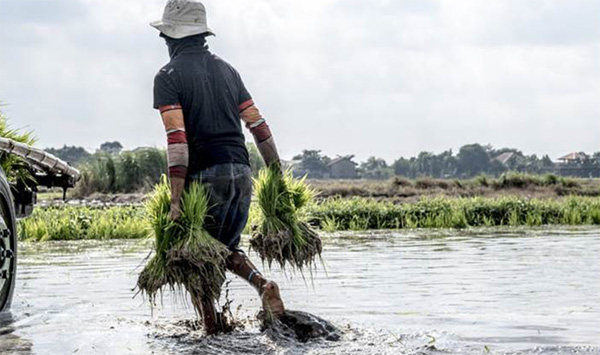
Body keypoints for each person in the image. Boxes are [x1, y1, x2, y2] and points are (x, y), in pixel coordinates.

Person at [150, 0, 285, 334]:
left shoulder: (167, 76)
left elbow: (178, 140)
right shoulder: (228, 71)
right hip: (241, 173)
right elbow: (259, 127)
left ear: (171, 38)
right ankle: (262, 284)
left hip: (204, 177)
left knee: (194, 254)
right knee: (225, 248)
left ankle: (210, 327)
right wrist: (276, 176)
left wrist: (177, 200)